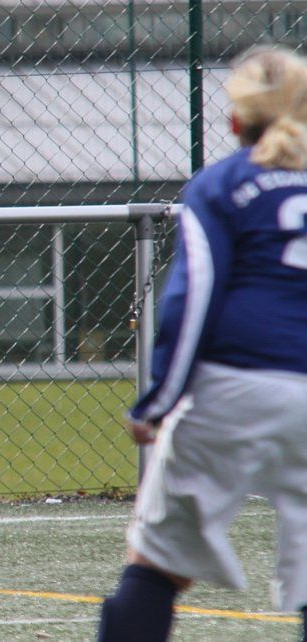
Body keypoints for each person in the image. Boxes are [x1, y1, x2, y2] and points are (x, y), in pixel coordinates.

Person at [98, 47, 307, 642]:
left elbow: (194, 297)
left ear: (236, 119)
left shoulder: (220, 184)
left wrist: (158, 401)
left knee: (156, 566)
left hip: (233, 388)